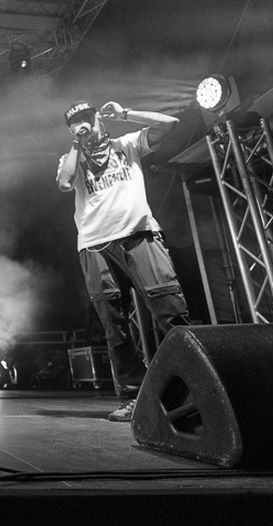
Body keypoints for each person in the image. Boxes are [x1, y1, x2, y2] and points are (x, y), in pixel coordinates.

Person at [56, 100, 192, 422]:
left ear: (99, 120)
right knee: (114, 326)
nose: (83, 125)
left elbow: (170, 124)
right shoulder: (71, 157)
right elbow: (65, 182)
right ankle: (133, 397)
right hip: (94, 247)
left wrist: (125, 114)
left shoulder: (127, 145)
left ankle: (193, 388)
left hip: (139, 235)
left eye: (87, 119)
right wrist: (77, 144)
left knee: (171, 312)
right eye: (76, 123)